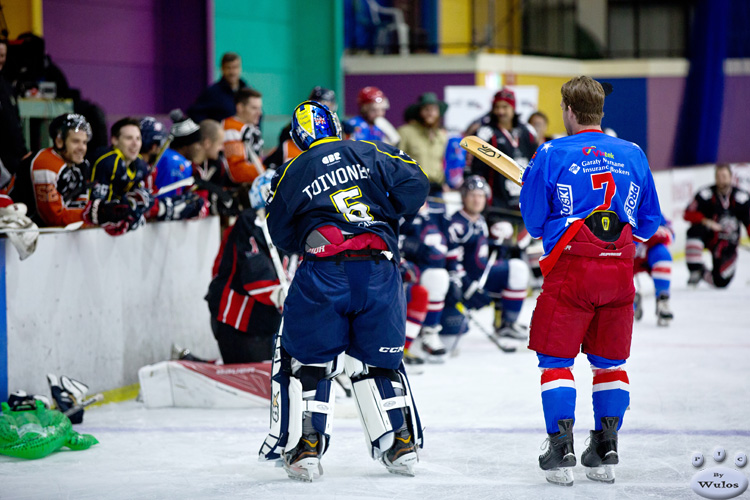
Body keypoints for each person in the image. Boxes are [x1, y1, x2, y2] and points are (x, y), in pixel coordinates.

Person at [260, 100, 428, 481]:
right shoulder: (367, 149)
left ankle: (306, 450)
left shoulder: (291, 171)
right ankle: (400, 444)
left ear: (298, 137)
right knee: (380, 362)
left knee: (307, 361)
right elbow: (416, 182)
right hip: (379, 270)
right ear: (334, 125)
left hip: (324, 273)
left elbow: (281, 236)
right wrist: (385, 209)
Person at [519, 76, 661, 486]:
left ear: (567, 108)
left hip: (571, 270)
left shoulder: (550, 152)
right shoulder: (633, 153)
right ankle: (605, 449)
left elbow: (531, 223)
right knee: (611, 363)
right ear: (601, 111)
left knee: (556, 361)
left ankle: (561, 447)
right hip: (619, 270)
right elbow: (649, 222)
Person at [441, 175, 530, 352]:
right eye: (473, 195)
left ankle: (507, 324)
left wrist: (497, 242)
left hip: (482, 275)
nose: (477, 200)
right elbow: (451, 261)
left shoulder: (480, 220)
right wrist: (467, 286)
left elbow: (481, 253)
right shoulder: (457, 224)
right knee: (449, 344)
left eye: (481, 195)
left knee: (517, 269)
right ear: (464, 197)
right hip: (462, 283)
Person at [205, 170, 286, 364]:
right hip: (237, 320)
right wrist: (281, 295)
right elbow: (255, 276)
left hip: (267, 319)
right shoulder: (250, 221)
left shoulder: (289, 227)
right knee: (257, 377)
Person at [10, 113, 138, 235]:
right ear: (59, 141)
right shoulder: (46, 164)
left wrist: (106, 217)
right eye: (75, 141)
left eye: (84, 142)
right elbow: (52, 219)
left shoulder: (82, 166)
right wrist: (95, 214)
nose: (82, 148)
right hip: (14, 228)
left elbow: (80, 207)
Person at [465, 88, 537, 213]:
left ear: (513, 108)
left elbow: (536, 163)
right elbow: (475, 169)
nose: (500, 111)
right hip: (497, 203)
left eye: (505, 107)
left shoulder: (527, 131)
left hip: (525, 202)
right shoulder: (485, 133)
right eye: (497, 107)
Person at [684, 164, 750, 288]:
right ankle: (695, 269)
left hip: (728, 244)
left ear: (731, 177)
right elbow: (687, 214)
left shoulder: (742, 197)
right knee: (694, 231)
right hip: (710, 237)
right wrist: (707, 222)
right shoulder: (706, 194)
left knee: (721, 281)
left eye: (724, 176)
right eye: (718, 176)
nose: (721, 179)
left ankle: (703, 273)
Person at [264, 86, 338, 170]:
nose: (320, 113)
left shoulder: (339, 130)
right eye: (317, 106)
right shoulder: (290, 132)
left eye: (327, 107)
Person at [152, 115, 208, 221]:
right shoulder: (179, 163)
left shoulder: (166, 156)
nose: (199, 148)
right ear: (185, 145)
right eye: (197, 143)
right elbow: (166, 198)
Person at [397, 92, 448, 193]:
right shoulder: (405, 132)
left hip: (436, 188)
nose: (430, 113)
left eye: (434, 109)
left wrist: (444, 183)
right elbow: (396, 161)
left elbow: (442, 163)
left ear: (438, 113)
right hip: (413, 187)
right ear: (419, 112)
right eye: (426, 109)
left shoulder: (442, 136)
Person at [633, 213, 674, 326]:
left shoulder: (646, 203)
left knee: (662, 255)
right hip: (622, 257)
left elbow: (669, 233)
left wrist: (644, 236)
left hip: (646, 253)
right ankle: (627, 302)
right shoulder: (614, 202)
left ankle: (662, 299)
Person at [187, 52, 249, 123]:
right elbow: (195, 114)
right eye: (228, 68)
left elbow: (257, 114)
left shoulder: (247, 91)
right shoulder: (213, 92)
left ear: (240, 68)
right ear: (222, 69)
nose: (232, 72)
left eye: (235, 67)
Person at [222, 88, 265, 185]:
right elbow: (237, 173)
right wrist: (267, 170)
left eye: (260, 108)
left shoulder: (250, 127)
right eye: (254, 108)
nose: (260, 112)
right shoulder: (231, 129)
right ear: (240, 107)